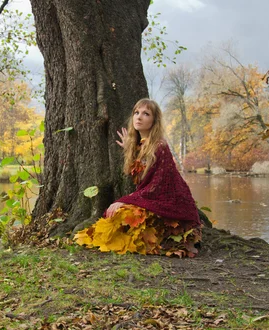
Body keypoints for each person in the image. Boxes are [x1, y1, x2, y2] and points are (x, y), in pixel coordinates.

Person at [75, 99, 202, 257]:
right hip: (152, 201)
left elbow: (155, 187)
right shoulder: (140, 146)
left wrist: (126, 200)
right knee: (115, 214)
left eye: (146, 114)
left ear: (154, 120)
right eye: (136, 112)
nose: (139, 117)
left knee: (122, 212)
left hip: (171, 205)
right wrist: (132, 150)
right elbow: (142, 177)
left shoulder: (160, 146)